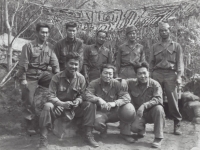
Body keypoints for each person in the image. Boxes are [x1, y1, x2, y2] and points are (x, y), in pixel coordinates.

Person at [38, 52, 98, 150]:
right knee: (47, 106)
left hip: (74, 108)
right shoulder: (56, 77)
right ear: (66, 64)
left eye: (76, 64)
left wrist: (78, 101)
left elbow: (83, 95)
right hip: (59, 107)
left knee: (90, 104)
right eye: (71, 63)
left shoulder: (81, 78)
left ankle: (88, 135)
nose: (73, 66)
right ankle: (43, 140)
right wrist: (60, 103)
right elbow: (50, 95)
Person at [14, 22, 60, 133]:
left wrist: (58, 76)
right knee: (29, 99)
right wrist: (23, 79)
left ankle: (51, 120)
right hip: (30, 75)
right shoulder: (28, 46)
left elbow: (55, 64)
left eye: (47, 33)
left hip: (43, 75)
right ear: (37, 33)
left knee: (57, 86)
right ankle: (30, 124)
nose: (45, 35)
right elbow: (23, 64)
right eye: (42, 32)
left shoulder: (49, 47)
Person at [84, 63, 136, 143]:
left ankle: (125, 133)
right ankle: (103, 129)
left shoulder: (118, 83)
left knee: (128, 109)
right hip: (101, 112)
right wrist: (98, 99)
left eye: (110, 74)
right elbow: (87, 94)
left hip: (115, 112)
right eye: (105, 73)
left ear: (113, 75)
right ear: (100, 73)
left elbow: (126, 97)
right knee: (96, 122)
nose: (108, 76)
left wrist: (115, 103)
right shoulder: (94, 83)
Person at [149, 22, 184, 135]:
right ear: (159, 32)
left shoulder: (176, 46)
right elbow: (151, 62)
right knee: (156, 98)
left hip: (170, 74)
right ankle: (159, 124)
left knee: (173, 99)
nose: (163, 32)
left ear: (170, 31)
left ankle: (177, 123)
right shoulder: (154, 46)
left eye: (165, 30)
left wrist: (179, 76)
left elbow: (180, 62)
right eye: (161, 31)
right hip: (157, 73)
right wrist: (150, 76)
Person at [126, 61, 165, 148]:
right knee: (134, 128)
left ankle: (158, 137)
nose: (143, 76)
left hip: (152, 113)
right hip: (139, 114)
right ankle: (141, 128)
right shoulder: (130, 83)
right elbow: (119, 82)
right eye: (139, 74)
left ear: (148, 72)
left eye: (144, 73)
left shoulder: (155, 84)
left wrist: (144, 105)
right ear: (136, 74)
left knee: (159, 108)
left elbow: (158, 99)